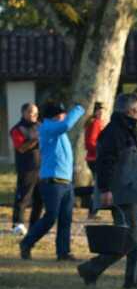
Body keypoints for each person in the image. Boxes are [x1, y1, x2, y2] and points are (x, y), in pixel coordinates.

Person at [77, 94, 137, 288]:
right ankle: (129, 282)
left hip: (130, 191)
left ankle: (94, 270)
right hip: (121, 192)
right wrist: (105, 190)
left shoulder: (125, 129)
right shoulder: (114, 132)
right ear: (130, 111)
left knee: (134, 240)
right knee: (133, 240)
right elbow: (105, 162)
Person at [19, 101, 85, 261]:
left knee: (65, 219)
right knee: (51, 217)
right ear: (57, 115)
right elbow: (67, 125)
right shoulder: (48, 128)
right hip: (52, 182)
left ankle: (63, 253)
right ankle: (27, 242)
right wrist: (79, 108)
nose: (65, 116)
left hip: (65, 182)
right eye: (63, 114)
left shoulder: (57, 131)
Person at [9, 103, 43, 236]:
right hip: (27, 168)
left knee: (39, 199)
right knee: (23, 197)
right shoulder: (17, 129)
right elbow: (21, 148)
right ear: (23, 113)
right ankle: (17, 224)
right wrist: (37, 140)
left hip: (42, 168)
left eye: (36, 113)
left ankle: (34, 225)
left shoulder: (40, 126)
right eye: (30, 112)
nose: (33, 115)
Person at [83, 101, 106, 217]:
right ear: (95, 111)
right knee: (99, 185)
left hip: (92, 158)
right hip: (95, 158)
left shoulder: (95, 122)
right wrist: (102, 150)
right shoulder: (96, 123)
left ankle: (93, 210)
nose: (101, 112)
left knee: (98, 184)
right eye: (99, 110)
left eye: (102, 110)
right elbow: (90, 142)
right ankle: (93, 210)